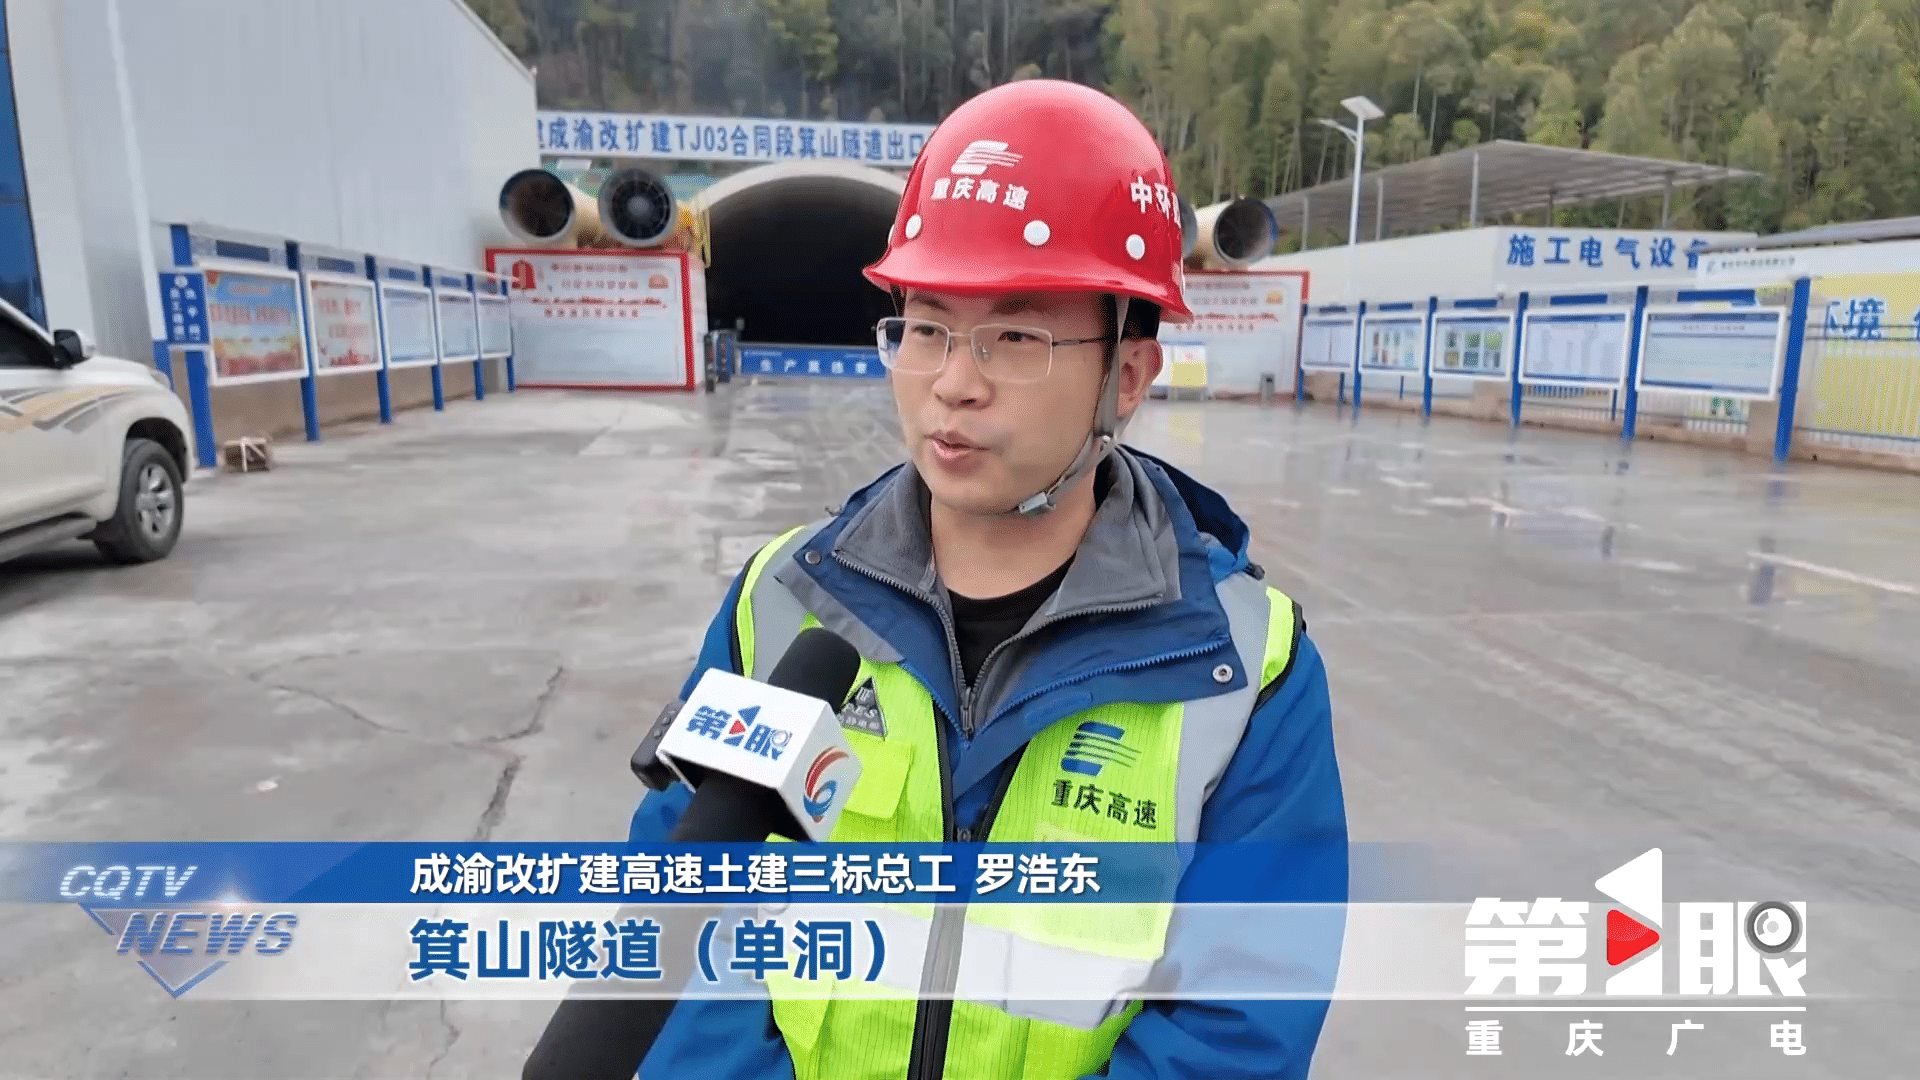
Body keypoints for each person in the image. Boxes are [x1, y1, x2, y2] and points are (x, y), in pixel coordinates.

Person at [630, 78, 1347, 1080]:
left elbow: (1243, 1018)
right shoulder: (781, 603)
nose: (952, 384)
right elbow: (681, 913)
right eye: (925, 328)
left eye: (1016, 337)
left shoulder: (1242, 670)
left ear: (1127, 377)